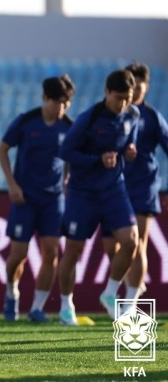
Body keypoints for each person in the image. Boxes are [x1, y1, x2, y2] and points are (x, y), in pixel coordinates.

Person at [57, 69, 139, 325]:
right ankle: (65, 306)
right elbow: (66, 150)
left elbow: (127, 145)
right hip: (84, 194)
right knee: (73, 251)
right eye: (118, 98)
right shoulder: (89, 118)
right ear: (106, 93)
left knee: (131, 242)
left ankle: (110, 292)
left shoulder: (132, 116)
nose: (123, 103)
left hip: (114, 189)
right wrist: (96, 160)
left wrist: (129, 152)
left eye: (127, 97)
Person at [0, 75, 75, 323]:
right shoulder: (26, 121)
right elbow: (3, 150)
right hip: (25, 197)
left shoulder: (68, 127)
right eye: (57, 102)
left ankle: (37, 308)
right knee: (19, 253)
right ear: (44, 98)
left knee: (52, 252)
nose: (61, 108)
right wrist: (12, 185)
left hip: (53, 199)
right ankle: (12, 290)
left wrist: (67, 178)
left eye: (65, 103)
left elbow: (73, 156)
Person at [101, 63, 168, 309]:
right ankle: (130, 285)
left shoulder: (152, 117)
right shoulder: (113, 116)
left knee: (138, 241)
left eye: (140, 86)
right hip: (115, 186)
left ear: (146, 87)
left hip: (143, 186)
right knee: (112, 246)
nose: (136, 91)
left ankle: (129, 303)